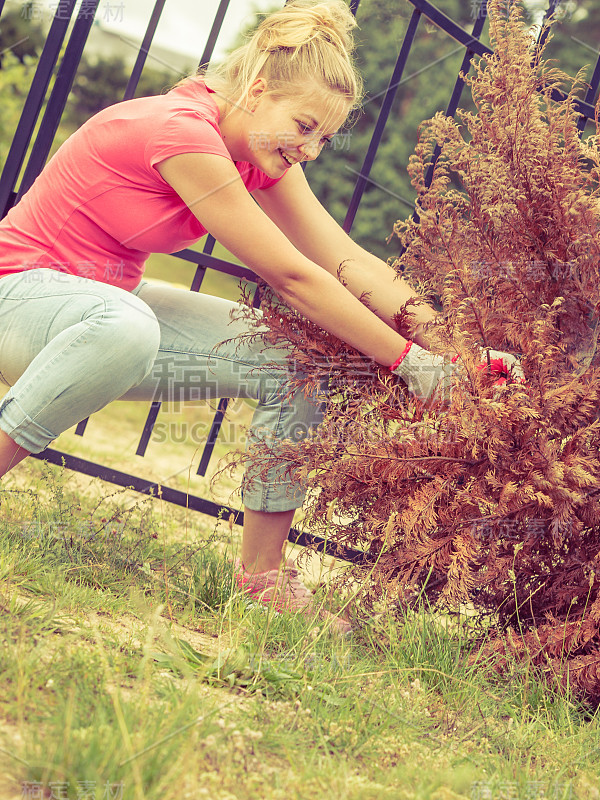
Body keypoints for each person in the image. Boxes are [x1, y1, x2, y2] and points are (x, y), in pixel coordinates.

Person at [0, 0, 518, 634]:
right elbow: (293, 277)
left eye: (325, 138)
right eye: (304, 126)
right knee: (124, 326)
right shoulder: (181, 132)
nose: (312, 150)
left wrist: (459, 354)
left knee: (300, 362)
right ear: (257, 89)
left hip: (101, 314)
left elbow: (347, 261)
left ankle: (261, 578)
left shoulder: (257, 150)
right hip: (19, 300)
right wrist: (413, 365)